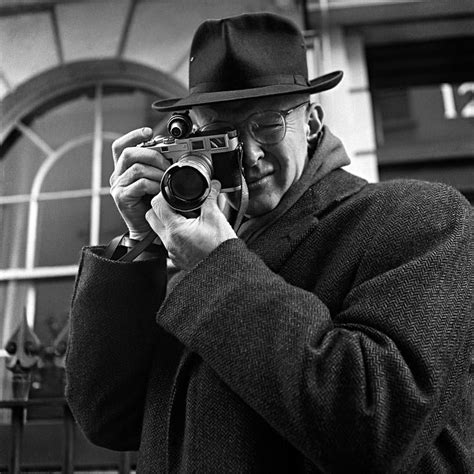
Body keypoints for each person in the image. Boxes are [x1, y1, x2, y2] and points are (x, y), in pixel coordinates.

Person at [65, 12, 473, 473]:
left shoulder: (418, 217)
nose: (249, 153)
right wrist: (142, 244)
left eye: (269, 124)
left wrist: (216, 264)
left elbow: (379, 425)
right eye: (222, 133)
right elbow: (107, 419)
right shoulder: (196, 255)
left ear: (313, 121)